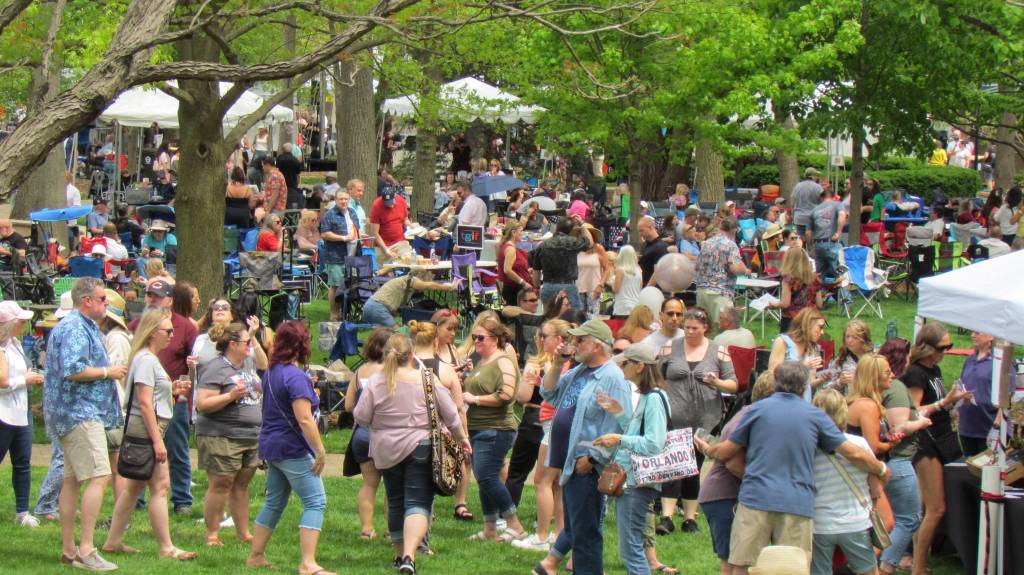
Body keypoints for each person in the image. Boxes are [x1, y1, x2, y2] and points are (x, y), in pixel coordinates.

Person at [705, 361, 888, 575]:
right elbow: (852, 452)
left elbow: (726, 451)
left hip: (756, 498)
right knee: (793, 568)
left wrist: (708, 449)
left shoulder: (755, 410)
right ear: (804, 386)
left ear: (776, 383)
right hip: (796, 502)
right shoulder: (814, 415)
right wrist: (880, 468)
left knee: (743, 566)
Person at [353, 333, 470, 574]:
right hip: (421, 446)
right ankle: (410, 554)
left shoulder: (376, 381)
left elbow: (360, 417)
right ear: (411, 355)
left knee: (396, 501)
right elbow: (451, 414)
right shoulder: (427, 378)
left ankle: (399, 555)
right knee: (418, 503)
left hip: (386, 450)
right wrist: (462, 438)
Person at [533, 319, 632, 575]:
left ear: (597, 346)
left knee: (586, 534)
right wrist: (556, 364)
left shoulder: (611, 378)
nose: (574, 344)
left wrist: (593, 458)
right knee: (577, 529)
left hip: (587, 467)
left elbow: (621, 423)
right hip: (571, 462)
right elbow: (549, 394)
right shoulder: (580, 371)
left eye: (580, 340)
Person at [44, 278, 129, 571]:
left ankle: (69, 550)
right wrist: (108, 372)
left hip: (73, 413)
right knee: (100, 476)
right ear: (87, 301)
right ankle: (86, 550)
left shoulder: (83, 326)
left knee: (72, 480)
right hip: (79, 412)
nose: (107, 304)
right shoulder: (75, 328)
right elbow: (73, 369)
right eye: (103, 299)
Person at [102, 308, 197, 561]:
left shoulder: (148, 359)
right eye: (168, 331)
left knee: (134, 488)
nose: (172, 335)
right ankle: (166, 548)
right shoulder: (146, 359)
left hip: (149, 429)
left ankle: (112, 541)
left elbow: (151, 397)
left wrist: (172, 390)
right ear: (153, 332)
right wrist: (157, 442)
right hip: (147, 431)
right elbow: (144, 403)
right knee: (161, 487)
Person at [247, 321, 333, 575]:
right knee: (316, 501)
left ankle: (255, 556)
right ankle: (308, 564)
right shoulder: (295, 376)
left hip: (271, 445)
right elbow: (304, 419)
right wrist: (320, 450)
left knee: (274, 501)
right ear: (302, 345)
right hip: (292, 447)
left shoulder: (272, 371)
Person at [656, 307, 737, 535]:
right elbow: (656, 376)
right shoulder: (670, 347)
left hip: (705, 418)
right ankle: (666, 517)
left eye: (694, 328)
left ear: (705, 328)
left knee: (694, 466)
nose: (689, 332)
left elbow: (734, 384)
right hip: (674, 416)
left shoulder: (719, 350)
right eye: (687, 328)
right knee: (673, 464)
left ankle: (690, 518)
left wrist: (716, 382)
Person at [592, 343, 669, 575]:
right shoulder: (647, 396)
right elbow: (638, 432)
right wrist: (618, 412)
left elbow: (653, 443)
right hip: (633, 480)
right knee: (631, 546)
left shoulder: (653, 398)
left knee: (631, 549)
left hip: (636, 482)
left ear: (640, 366)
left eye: (625, 363)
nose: (621, 367)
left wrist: (618, 438)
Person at [903, 323, 972, 575]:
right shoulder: (916, 373)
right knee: (936, 508)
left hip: (942, 438)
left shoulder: (935, 369)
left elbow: (937, 404)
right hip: (926, 443)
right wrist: (944, 403)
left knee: (924, 508)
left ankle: (916, 561)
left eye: (949, 346)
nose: (946, 351)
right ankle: (918, 566)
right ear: (927, 347)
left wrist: (953, 404)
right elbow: (913, 412)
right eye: (943, 347)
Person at [128, 279, 199, 515]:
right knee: (140, 450)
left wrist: (185, 388)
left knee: (177, 450)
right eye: (149, 295)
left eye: (157, 296)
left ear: (169, 300)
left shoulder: (185, 327)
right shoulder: (138, 325)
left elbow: (194, 362)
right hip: (144, 399)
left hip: (173, 399)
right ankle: (136, 499)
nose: (151, 299)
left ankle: (182, 500)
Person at [695, 372, 776, 575]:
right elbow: (733, 464)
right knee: (733, 562)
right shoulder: (747, 418)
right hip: (725, 496)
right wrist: (765, 486)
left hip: (725, 495)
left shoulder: (749, 414)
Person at [195, 322, 263, 546]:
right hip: (221, 435)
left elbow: (265, 363)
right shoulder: (215, 368)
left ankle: (243, 532)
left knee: (241, 484)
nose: (249, 345)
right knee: (222, 483)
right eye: (246, 342)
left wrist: (254, 336)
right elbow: (202, 404)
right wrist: (230, 396)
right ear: (233, 344)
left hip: (250, 435)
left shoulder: (248, 362)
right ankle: (212, 534)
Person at [462, 316, 529, 542]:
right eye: (474, 337)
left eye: (480, 338)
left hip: (496, 429)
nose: (476, 341)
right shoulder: (483, 362)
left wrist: (475, 399)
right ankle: (490, 529)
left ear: (495, 339)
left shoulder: (503, 361)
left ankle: (515, 525)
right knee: (484, 479)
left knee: (488, 478)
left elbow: (507, 394)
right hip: (479, 428)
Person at [511, 319, 572, 553]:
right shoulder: (565, 363)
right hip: (555, 425)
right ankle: (558, 534)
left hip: (553, 425)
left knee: (542, 481)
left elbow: (556, 393)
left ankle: (542, 536)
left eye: (545, 336)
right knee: (557, 484)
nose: (540, 339)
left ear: (559, 340)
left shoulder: (559, 364)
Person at [809, 389, 883, 575]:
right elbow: (875, 488)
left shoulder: (810, 447)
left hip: (820, 523)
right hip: (855, 520)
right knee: (868, 571)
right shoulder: (859, 444)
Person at [877, 337, 930, 574]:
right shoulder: (896, 387)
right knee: (908, 518)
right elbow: (899, 428)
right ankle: (885, 566)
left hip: (886, 460)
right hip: (898, 460)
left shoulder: (874, 386)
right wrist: (920, 423)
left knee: (888, 519)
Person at [345, 328, 392, 540]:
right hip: (385, 433)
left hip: (362, 434)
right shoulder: (390, 372)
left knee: (369, 484)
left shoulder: (360, 371)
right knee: (392, 486)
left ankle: (366, 529)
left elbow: (348, 406)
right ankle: (392, 531)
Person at [0, 301, 44, 527]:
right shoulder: (2, 348)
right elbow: (2, 383)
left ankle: (22, 512)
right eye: (20, 322)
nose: (24, 325)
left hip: (21, 412)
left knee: (22, 462)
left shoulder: (15, 344)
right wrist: (24, 379)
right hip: (3, 413)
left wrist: (31, 377)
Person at [529, 216, 593, 309]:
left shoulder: (542, 245)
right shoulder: (572, 242)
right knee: (572, 316)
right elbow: (589, 242)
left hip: (548, 286)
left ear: (557, 228)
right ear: (571, 230)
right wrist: (582, 224)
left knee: (550, 316)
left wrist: (536, 287)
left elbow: (536, 270)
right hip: (568, 287)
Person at [695, 217, 749, 325]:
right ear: (735, 230)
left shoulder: (706, 243)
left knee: (704, 328)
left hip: (701, 291)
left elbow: (697, 266)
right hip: (720, 293)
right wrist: (745, 270)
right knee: (724, 328)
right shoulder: (730, 245)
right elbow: (735, 268)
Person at [767, 307, 826, 402]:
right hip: (784, 401)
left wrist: (822, 379)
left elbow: (809, 383)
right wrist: (803, 366)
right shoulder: (782, 342)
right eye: (820, 327)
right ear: (808, 325)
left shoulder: (812, 348)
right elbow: (772, 377)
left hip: (804, 403)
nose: (822, 332)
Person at [362, 271, 459, 328]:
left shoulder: (404, 282)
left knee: (382, 335)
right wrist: (447, 287)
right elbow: (428, 285)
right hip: (378, 308)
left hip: (369, 306)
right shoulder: (412, 279)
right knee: (398, 334)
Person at [320, 189, 361, 320]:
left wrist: (361, 236)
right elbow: (325, 233)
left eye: (346, 199)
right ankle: (334, 313)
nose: (344, 201)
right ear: (336, 200)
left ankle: (345, 312)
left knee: (349, 285)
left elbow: (356, 230)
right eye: (341, 199)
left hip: (352, 256)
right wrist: (343, 238)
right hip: (336, 256)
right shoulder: (330, 214)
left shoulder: (352, 212)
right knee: (336, 285)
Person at [957, 331, 998, 457]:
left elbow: (1007, 398)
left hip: (988, 427)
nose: (972, 335)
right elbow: (961, 386)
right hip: (967, 427)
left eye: (977, 332)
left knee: (987, 466)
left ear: (991, 336)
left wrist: (996, 428)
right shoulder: (969, 360)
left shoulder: (998, 361)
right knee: (969, 465)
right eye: (972, 332)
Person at [807, 188, 847, 283]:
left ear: (821, 198)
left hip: (818, 245)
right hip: (832, 243)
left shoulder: (813, 210)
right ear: (833, 197)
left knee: (820, 276)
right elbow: (842, 216)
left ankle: (822, 291)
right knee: (839, 273)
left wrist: (811, 247)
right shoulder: (838, 205)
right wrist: (838, 232)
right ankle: (842, 292)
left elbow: (808, 232)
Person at [370, 186, 413, 265]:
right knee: (385, 270)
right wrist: (386, 250)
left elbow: (405, 220)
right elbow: (375, 233)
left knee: (407, 263)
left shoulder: (401, 201)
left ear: (394, 197)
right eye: (387, 203)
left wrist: (410, 225)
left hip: (400, 242)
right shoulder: (376, 205)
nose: (390, 205)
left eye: (391, 202)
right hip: (383, 245)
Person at [576, 225, 610, 317]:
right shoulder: (576, 250)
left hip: (594, 289)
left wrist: (600, 285)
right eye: (580, 234)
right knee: (579, 318)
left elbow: (607, 269)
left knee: (593, 318)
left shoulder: (598, 249)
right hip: (578, 289)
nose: (582, 236)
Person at [831, 320, 873, 394]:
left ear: (864, 339)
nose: (849, 340)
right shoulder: (840, 360)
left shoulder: (873, 359)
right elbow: (828, 389)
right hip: (848, 400)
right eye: (847, 336)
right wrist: (840, 382)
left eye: (855, 337)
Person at [498, 221, 534, 306]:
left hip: (514, 288)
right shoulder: (510, 249)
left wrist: (526, 271)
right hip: (514, 290)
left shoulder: (507, 247)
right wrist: (523, 282)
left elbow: (514, 268)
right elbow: (507, 270)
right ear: (513, 232)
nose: (522, 233)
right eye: (521, 231)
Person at [611, 244, 643, 318]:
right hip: (635, 306)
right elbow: (640, 287)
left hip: (622, 307)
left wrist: (612, 282)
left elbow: (616, 290)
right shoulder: (639, 270)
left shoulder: (620, 270)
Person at [791, 167, 824, 235]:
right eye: (816, 175)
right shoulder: (818, 187)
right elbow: (823, 203)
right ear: (812, 176)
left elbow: (792, 204)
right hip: (812, 219)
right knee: (813, 239)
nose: (817, 177)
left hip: (799, 218)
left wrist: (793, 216)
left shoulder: (797, 186)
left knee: (801, 239)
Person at [637, 217, 668, 286]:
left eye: (641, 230)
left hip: (653, 289)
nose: (640, 234)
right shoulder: (645, 245)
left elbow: (658, 272)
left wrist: (648, 288)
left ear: (650, 227)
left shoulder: (660, 247)